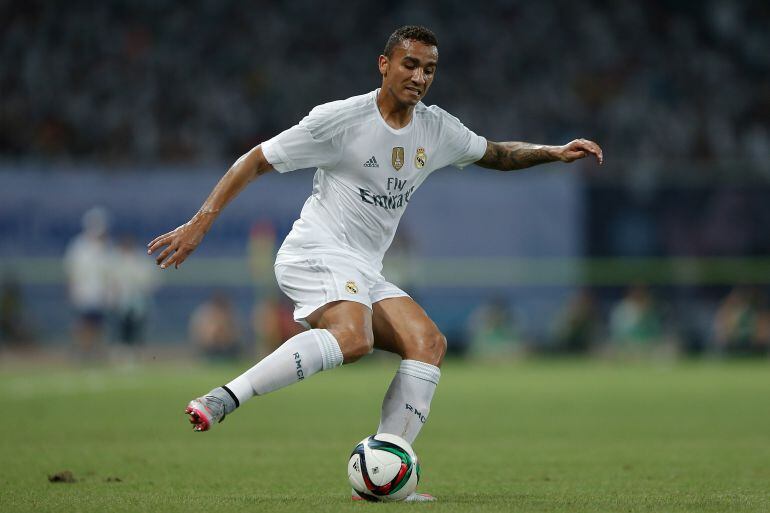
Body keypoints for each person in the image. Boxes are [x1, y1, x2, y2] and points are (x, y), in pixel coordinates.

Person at [147, 26, 603, 502]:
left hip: (364, 268)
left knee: (427, 342)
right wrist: (200, 223)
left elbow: (497, 154)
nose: (420, 77)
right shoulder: (340, 121)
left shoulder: (436, 128)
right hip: (315, 251)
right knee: (354, 337)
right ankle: (225, 398)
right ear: (384, 65)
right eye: (410, 64)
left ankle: (385, 470)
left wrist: (554, 152)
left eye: (429, 69)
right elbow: (256, 159)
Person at [64, 206, 112, 359]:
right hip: (83, 291)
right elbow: (71, 270)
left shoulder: (105, 247)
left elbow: (108, 272)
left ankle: (93, 352)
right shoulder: (79, 246)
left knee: (98, 325)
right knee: (84, 324)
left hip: (99, 292)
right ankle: (81, 351)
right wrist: (72, 289)